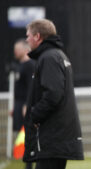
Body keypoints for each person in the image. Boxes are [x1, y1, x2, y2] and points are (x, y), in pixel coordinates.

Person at [23, 19, 84, 169]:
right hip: (57, 136)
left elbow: (53, 94)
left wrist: (34, 115)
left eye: (28, 35)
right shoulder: (57, 55)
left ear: (37, 36)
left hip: (53, 137)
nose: (26, 39)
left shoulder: (49, 57)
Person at [11, 39, 35, 169]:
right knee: (23, 135)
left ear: (25, 49)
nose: (15, 52)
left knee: (28, 135)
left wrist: (27, 104)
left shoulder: (30, 65)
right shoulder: (20, 65)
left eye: (17, 49)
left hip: (25, 105)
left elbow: (31, 87)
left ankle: (29, 164)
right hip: (19, 104)